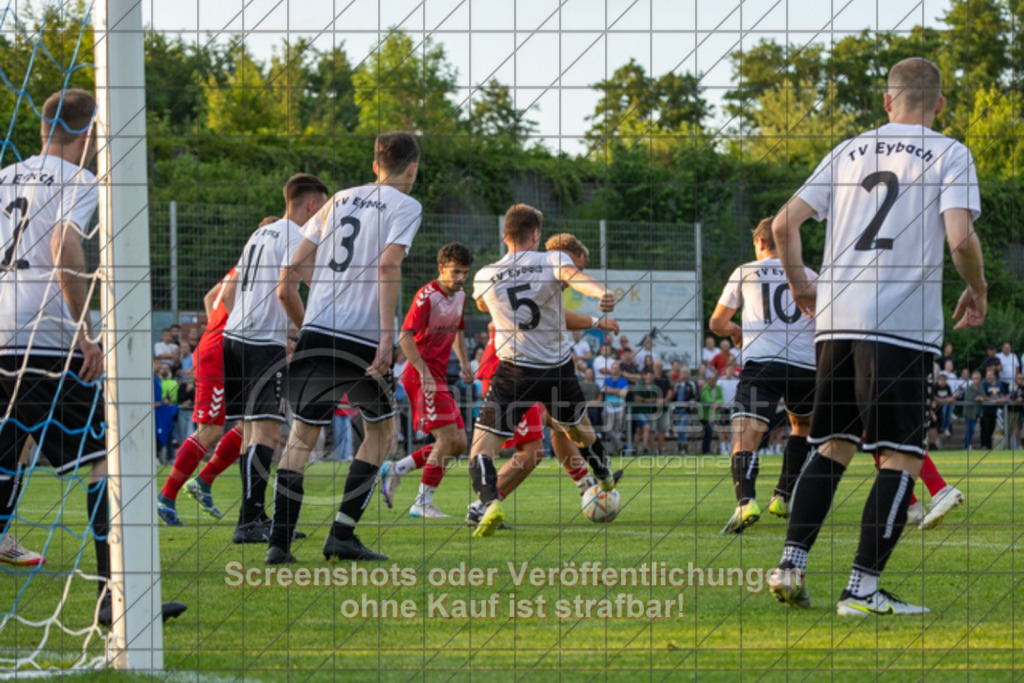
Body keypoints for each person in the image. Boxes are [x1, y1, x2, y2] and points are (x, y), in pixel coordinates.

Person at [768, 57, 986, 617]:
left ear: (887, 102)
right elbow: (960, 237)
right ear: (938, 105)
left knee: (831, 446)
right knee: (901, 459)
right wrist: (977, 288)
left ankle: (790, 565)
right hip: (901, 327)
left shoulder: (848, 150)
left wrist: (800, 285)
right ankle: (862, 590)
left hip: (836, 322)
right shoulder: (949, 151)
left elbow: (782, 224)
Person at [0, 88, 184, 623]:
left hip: (2, 335)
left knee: (8, 457)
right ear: (92, 133)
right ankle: (116, 600)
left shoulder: (6, 175)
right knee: (107, 462)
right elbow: (63, 245)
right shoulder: (79, 180)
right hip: (46, 338)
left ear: (41, 128)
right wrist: (85, 332)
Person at [266, 132, 422, 564]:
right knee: (381, 431)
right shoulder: (406, 205)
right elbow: (389, 264)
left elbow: (292, 273)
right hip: (363, 339)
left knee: (300, 437)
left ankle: (278, 544)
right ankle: (342, 533)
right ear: (412, 169)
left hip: (318, 331)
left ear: (375, 165)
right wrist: (387, 338)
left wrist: (318, 314)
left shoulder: (336, 199)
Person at [467, 204, 617, 536]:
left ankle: (489, 505)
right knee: (579, 432)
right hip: (557, 371)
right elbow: (576, 279)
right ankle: (603, 475)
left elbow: (480, 303)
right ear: (536, 235)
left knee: (480, 450)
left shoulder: (485, 275)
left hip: (513, 372)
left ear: (504, 235)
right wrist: (601, 293)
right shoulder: (552, 259)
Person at [222, 175, 329, 544]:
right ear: (312, 205)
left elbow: (227, 295)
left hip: (234, 336)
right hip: (260, 343)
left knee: (251, 432)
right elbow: (287, 291)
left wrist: (256, 320)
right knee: (267, 431)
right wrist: (305, 331)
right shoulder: (293, 237)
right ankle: (250, 520)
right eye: (324, 209)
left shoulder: (260, 234)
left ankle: (253, 516)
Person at [708, 217, 818, 534]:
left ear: (759, 243)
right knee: (801, 425)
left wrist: (734, 330)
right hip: (804, 366)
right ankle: (783, 496)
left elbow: (717, 323)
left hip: (763, 364)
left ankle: (746, 502)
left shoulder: (746, 271)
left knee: (747, 434)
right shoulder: (811, 275)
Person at [378, 242, 474, 518]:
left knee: (458, 444)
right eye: (456, 272)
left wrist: (465, 365)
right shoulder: (426, 296)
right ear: (441, 268)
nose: (460, 278)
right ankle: (421, 502)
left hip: (438, 377)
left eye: (465, 273)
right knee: (446, 439)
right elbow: (404, 337)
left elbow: (456, 331)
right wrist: (424, 373)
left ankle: (397, 469)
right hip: (421, 377)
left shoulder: (460, 296)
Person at [155, 265, 250, 526]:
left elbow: (210, 298)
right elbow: (228, 298)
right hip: (220, 354)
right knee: (210, 430)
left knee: (251, 425)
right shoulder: (257, 264)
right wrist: (229, 337)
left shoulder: (241, 265)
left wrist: (215, 331)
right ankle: (166, 498)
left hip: (223, 351)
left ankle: (203, 483)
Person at [979, 366, 1008, 450]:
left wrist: (1001, 399)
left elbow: (1003, 394)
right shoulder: (983, 384)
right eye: (987, 375)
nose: (988, 377)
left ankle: (989, 445)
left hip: (994, 411)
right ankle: (984, 445)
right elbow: (984, 396)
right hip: (985, 410)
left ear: (994, 376)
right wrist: (994, 400)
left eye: (990, 375)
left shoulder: (999, 384)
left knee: (992, 428)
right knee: (985, 428)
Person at [960, 371, 984, 449]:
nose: (976, 380)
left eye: (977, 379)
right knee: (970, 429)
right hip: (969, 413)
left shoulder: (981, 387)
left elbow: (984, 396)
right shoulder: (968, 388)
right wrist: (977, 398)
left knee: (972, 430)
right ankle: (966, 446)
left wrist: (981, 398)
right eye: (974, 379)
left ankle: (968, 445)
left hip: (977, 413)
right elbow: (968, 398)